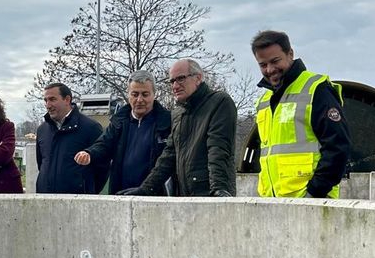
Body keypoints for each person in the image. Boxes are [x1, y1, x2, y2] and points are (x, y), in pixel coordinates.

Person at [251, 31, 350, 198]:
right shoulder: (264, 101)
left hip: (313, 202)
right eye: (263, 65)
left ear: (290, 54)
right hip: (273, 204)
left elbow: (338, 146)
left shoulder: (316, 89)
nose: (270, 69)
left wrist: (315, 192)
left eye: (275, 61)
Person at [121, 59, 237, 197]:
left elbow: (218, 149)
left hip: (210, 194)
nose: (175, 85)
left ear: (198, 78)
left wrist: (219, 190)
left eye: (181, 79)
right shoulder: (178, 113)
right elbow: (169, 156)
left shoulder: (219, 102)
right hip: (185, 197)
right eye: (172, 81)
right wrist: (146, 189)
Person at [74, 70, 172, 194]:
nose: (139, 99)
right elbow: (104, 144)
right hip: (121, 195)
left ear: (154, 94)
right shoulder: (118, 122)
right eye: (135, 94)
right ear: (128, 95)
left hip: (155, 197)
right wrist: (89, 153)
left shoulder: (168, 123)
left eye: (145, 94)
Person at [35, 83, 104, 193]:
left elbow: (102, 167)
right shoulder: (42, 130)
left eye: (52, 99)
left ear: (67, 99)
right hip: (45, 200)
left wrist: (87, 191)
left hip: (78, 203)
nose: (48, 105)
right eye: (45, 100)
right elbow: (41, 164)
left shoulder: (91, 128)